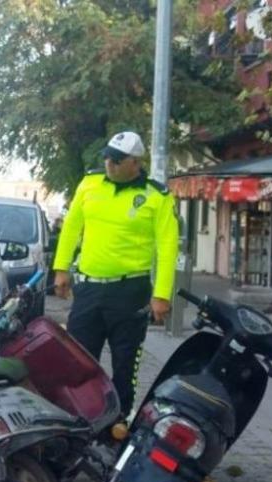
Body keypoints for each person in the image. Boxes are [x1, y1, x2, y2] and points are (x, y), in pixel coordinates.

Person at [51, 131, 179, 416]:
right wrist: (61, 268)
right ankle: (78, 418)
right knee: (78, 361)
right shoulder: (90, 183)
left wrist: (161, 294)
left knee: (125, 363)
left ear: (135, 162)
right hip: (89, 289)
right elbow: (71, 228)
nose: (109, 163)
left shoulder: (156, 196)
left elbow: (168, 248)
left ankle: (118, 424)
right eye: (108, 156)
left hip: (130, 293)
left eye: (117, 160)